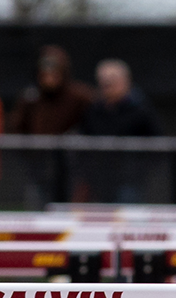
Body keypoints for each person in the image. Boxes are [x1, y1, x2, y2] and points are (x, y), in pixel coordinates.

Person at [6, 45, 94, 205]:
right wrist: (28, 148)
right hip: (37, 164)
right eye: (45, 75)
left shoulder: (79, 96)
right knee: (37, 203)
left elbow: (96, 122)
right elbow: (16, 127)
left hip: (69, 165)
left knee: (66, 207)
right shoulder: (30, 98)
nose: (49, 79)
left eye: (54, 74)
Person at [80, 59, 162, 205]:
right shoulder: (94, 109)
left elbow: (157, 142)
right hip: (99, 179)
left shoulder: (140, 109)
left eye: (112, 80)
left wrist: (140, 169)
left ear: (125, 81)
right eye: (103, 81)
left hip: (129, 180)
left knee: (127, 218)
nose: (107, 85)